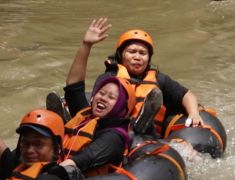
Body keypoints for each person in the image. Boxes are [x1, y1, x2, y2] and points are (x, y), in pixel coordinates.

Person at [76, 18, 206, 136]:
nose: (137, 57)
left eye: (143, 53)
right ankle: (138, 126)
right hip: (115, 132)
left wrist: (193, 113)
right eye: (131, 52)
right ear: (121, 55)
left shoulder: (159, 79)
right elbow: (96, 106)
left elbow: (186, 95)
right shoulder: (110, 79)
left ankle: (143, 123)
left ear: (149, 58)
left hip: (148, 137)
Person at [59, 39, 137, 179]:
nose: (103, 98)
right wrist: (86, 45)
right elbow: (73, 87)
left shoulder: (114, 137)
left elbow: (81, 160)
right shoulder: (85, 115)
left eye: (111, 97)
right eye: (101, 93)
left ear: (121, 106)